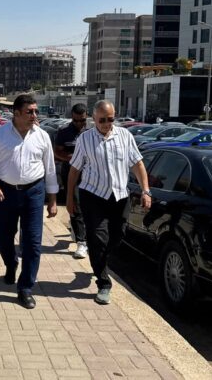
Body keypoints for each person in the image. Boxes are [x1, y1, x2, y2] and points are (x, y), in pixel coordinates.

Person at [65, 100, 152, 305]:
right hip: (93, 195)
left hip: (119, 196)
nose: (106, 123)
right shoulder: (85, 139)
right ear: (94, 119)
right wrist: (69, 198)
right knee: (97, 239)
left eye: (110, 119)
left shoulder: (125, 136)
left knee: (118, 236)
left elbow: (137, 164)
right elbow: (74, 170)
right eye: (102, 120)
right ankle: (103, 282)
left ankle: (99, 259)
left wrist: (146, 191)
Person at [0, 94, 58, 309]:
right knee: (4, 238)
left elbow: (50, 170)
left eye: (35, 111)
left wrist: (52, 200)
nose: (34, 115)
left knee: (33, 242)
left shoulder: (42, 136)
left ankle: (25, 288)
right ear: (16, 113)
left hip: (34, 192)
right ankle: (11, 264)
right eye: (29, 112)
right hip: (5, 192)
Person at [53, 104, 89, 259]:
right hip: (70, 173)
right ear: (72, 118)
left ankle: (79, 230)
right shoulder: (64, 132)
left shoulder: (92, 132)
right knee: (75, 205)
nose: (79, 123)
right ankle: (82, 242)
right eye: (76, 120)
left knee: (88, 206)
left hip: (89, 174)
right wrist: (72, 158)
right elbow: (57, 151)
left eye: (82, 120)